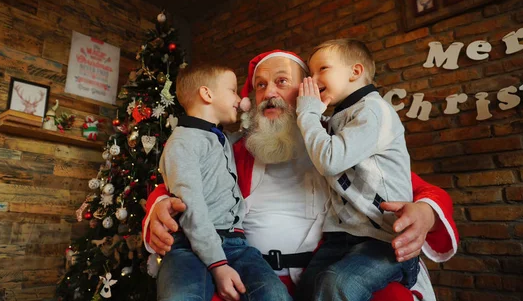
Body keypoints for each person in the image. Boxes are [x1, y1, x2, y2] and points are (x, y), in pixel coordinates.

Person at [144, 50, 459, 301]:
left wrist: (426, 212)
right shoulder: (234, 149)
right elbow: (183, 178)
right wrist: (158, 204)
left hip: (327, 277)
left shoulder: (339, 142)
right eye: (261, 85)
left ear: (307, 90)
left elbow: (415, 189)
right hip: (251, 278)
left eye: (282, 81)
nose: (270, 93)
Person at [295, 39, 418, 301]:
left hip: (385, 239)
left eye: (322, 69)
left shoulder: (372, 110)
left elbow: (329, 159)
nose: (313, 80)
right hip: (341, 238)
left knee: (337, 284)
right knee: (306, 288)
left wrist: (307, 114)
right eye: (310, 74)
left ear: (355, 71)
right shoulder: (341, 115)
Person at [156, 64, 291, 301]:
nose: (239, 100)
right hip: (189, 243)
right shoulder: (183, 142)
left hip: (235, 242)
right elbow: (192, 206)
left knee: (274, 294)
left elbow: (252, 135)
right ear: (207, 94)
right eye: (233, 91)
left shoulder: (220, 138)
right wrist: (218, 264)